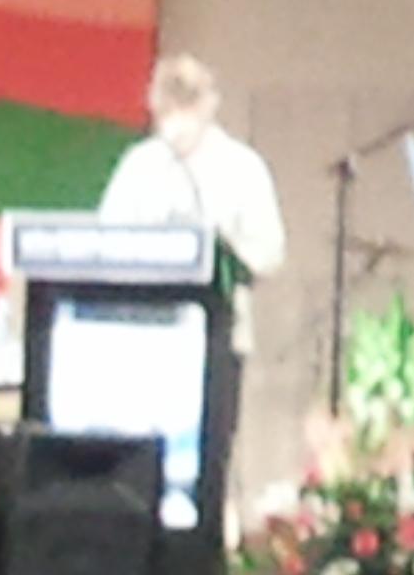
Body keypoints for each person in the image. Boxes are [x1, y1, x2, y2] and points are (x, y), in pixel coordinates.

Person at [100, 53, 287, 532]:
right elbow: (107, 241)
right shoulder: (140, 166)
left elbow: (269, 252)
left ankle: (201, 543)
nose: (177, 124)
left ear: (209, 105)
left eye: (186, 108)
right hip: (145, 339)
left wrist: (222, 248)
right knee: (136, 457)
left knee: (207, 458)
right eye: (167, 111)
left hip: (215, 340)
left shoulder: (242, 168)